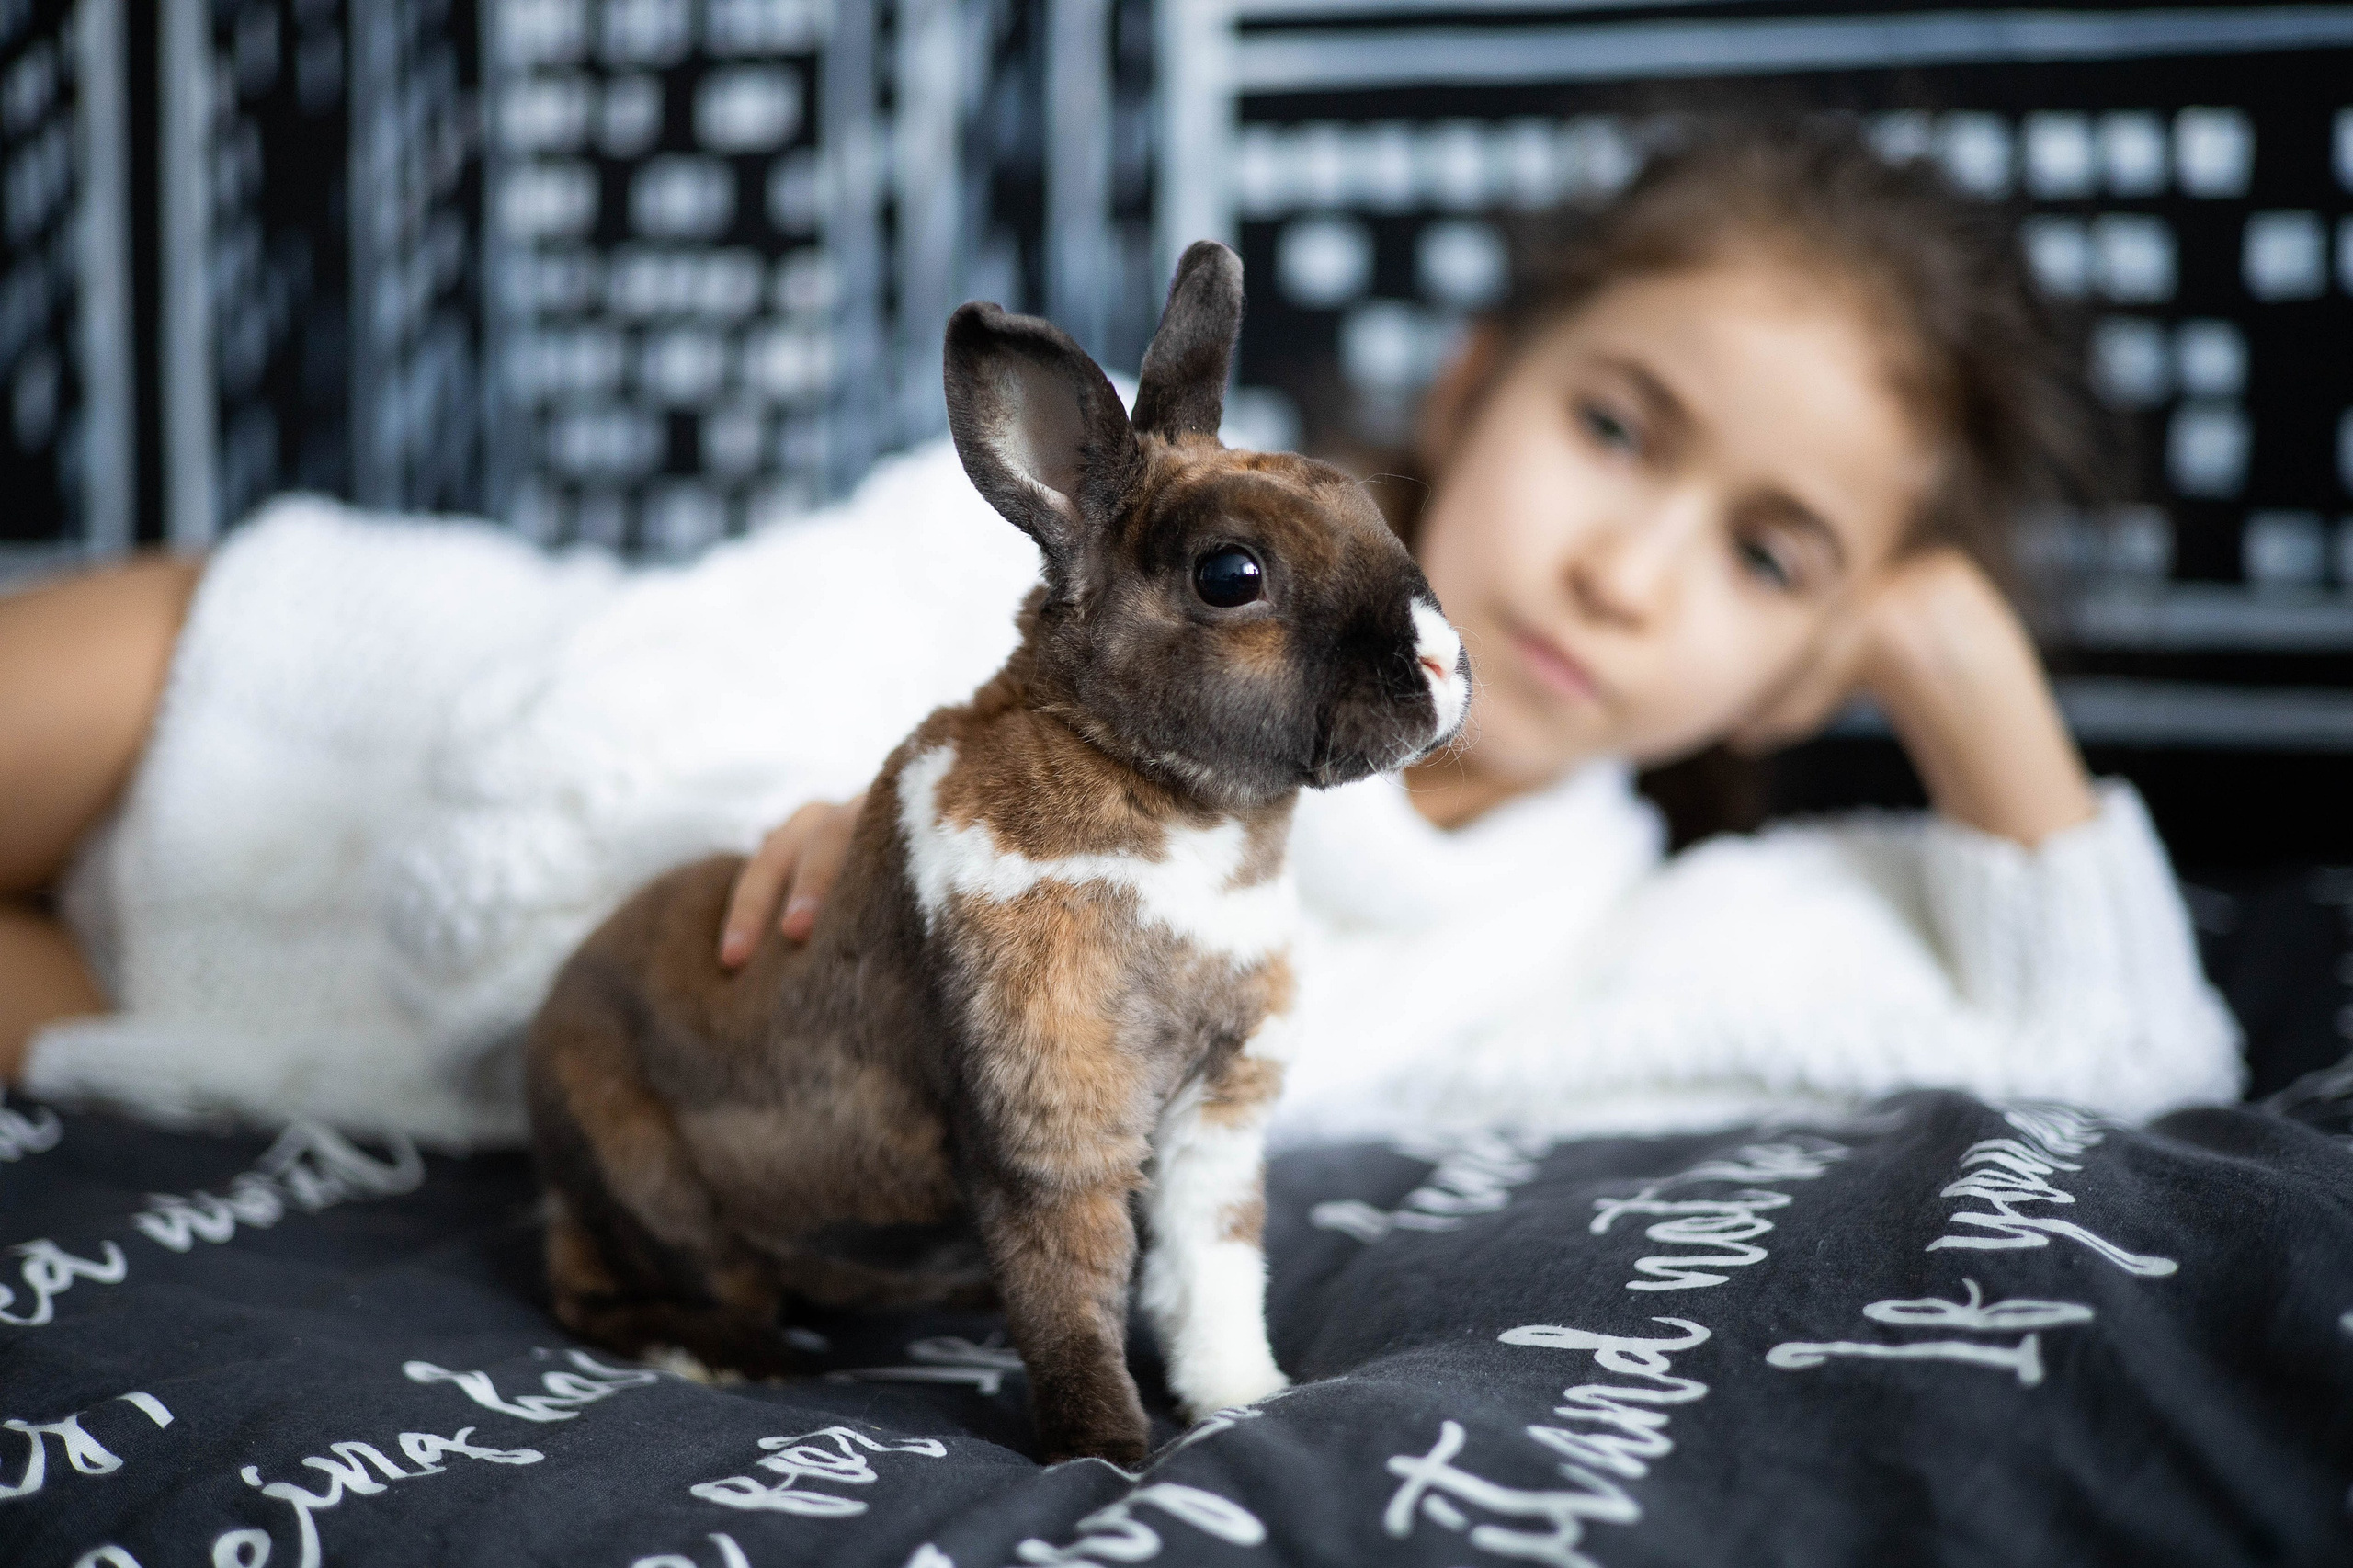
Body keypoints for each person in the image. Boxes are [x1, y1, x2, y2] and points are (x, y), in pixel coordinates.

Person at [0, 119, 2238, 1146]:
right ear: (1473, 395)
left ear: (1806, 667)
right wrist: (798, 838)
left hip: (288, 1044)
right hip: (311, 707)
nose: (1621, 570)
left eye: (1766, 558)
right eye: (1614, 428)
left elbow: (2130, 1064)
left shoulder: (1594, 941)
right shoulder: (1149, 533)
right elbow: (623, 724)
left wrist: (1945, 648)